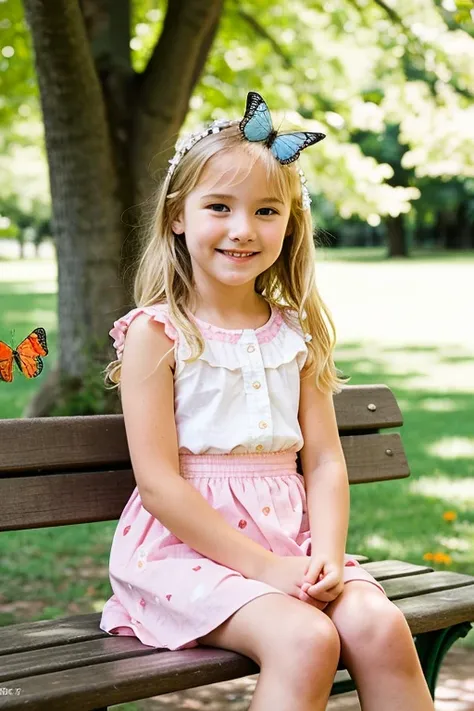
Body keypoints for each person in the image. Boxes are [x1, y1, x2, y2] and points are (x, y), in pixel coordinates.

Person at [100, 92, 436, 711]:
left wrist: (326, 557)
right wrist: (265, 569)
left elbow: (327, 463)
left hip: (295, 544)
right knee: (307, 639)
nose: (242, 229)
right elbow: (158, 486)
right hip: (183, 554)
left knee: (377, 626)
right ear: (178, 215)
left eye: (266, 210)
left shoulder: (294, 332)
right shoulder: (158, 332)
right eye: (219, 207)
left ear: (289, 223)